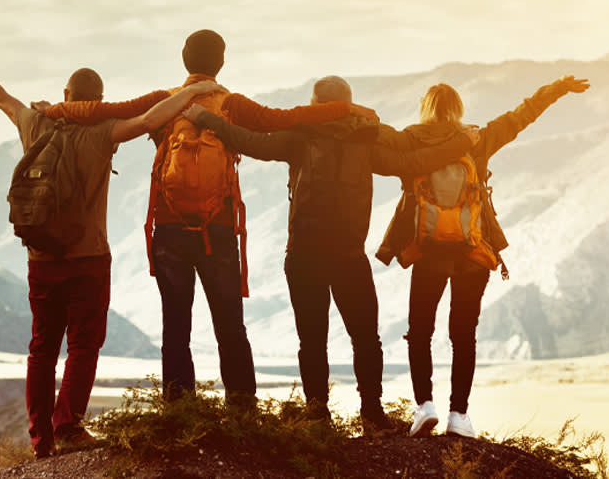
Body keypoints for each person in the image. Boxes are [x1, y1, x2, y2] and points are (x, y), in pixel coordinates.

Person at [40, 30, 377, 406]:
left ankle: (179, 409)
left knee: (176, 328)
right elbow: (289, 117)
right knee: (230, 324)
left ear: (185, 59)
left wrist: (56, 109)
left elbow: (105, 110)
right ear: (221, 62)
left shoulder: (163, 103)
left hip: (169, 227)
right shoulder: (233, 104)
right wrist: (345, 109)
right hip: (218, 228)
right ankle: (242, 406)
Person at [0, 33, 228, 458]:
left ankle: (40, 439)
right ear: (98, 100)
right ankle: (69, 425)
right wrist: (193, 91)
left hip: (40, 259)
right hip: (88, 258)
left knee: (41, 349)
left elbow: (0, 96)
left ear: (65, 95)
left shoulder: (34, 123)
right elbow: (150, 120)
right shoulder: (103, 133)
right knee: (83, 345)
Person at [180, 75, 475, 430]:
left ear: (315, 104)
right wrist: (459, 143)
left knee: (312, 339)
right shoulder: (363, 142)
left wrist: (205, 118)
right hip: (349, 257)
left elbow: (249, 141)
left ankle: (318, 414)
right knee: (366, 338)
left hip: (303, 254)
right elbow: (413, 163)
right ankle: (372, 414)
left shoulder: (299, 137)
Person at [375, 75, 591, 438]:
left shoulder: (410, 140)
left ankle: (425, 405)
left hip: (427, 252)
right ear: (458, 110)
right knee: (463, 334)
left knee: (420, 331)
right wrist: (554, 89)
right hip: (473, 252)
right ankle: (459, 415)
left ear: (425, 109)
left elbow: (373, 138)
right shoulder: (477, 138)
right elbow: (521, 116)